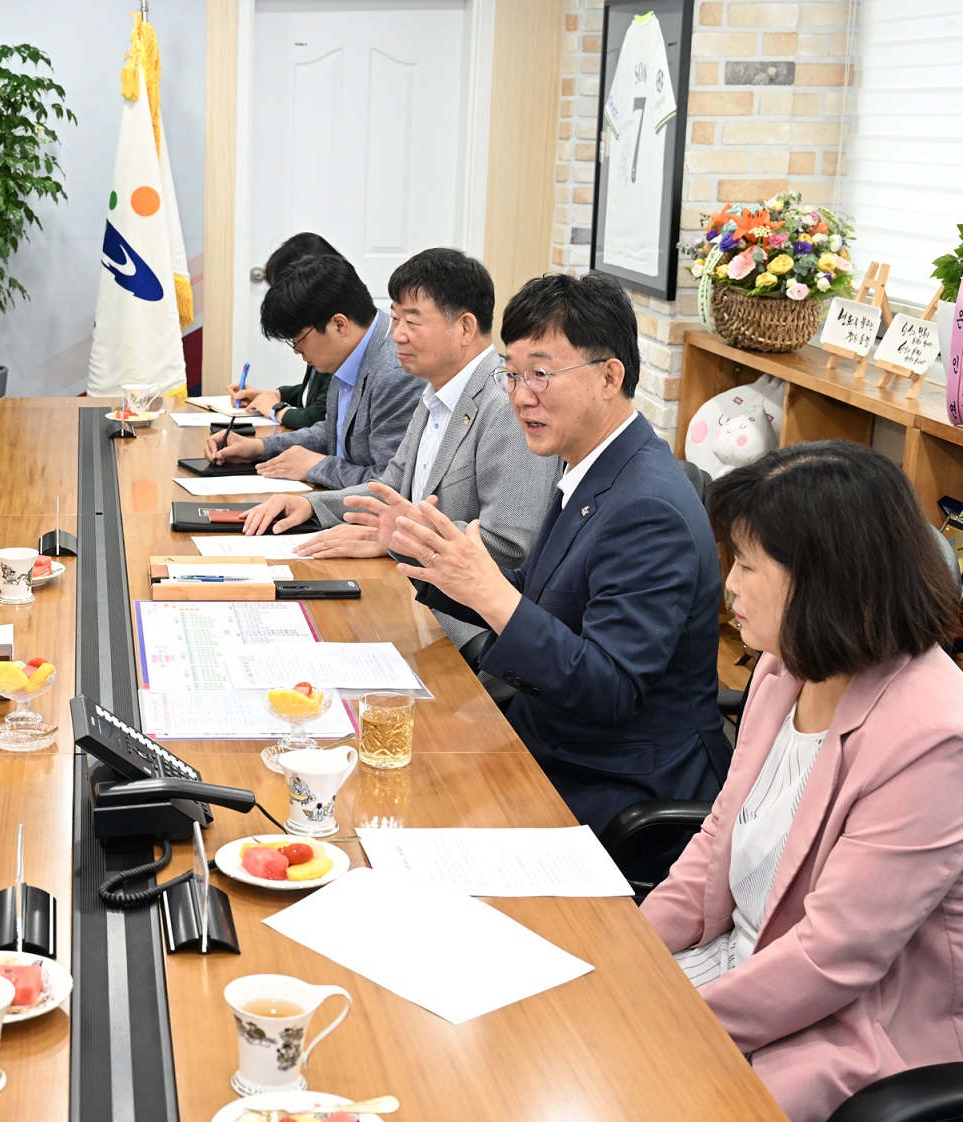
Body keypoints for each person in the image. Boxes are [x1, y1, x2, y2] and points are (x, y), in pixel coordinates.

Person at [644, 441, 963, 1122]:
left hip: (845, 1029)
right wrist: (631, 955)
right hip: (733, 967)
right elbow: (716, 838)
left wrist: (669, 1018)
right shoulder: (784, 665)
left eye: (750, 565)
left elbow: (833, 958)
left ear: (824, 583)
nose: (728, 583)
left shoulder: (934, 733)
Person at [391, 271, 729, 833]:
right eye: (513, 375)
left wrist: (489, 589)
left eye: (541, 375)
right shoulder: (592, 463)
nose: (521, 397)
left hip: (615, 779)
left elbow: (610, 686)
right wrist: (440, 565)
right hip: (553, 738)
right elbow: (545, 597)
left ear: (608, 376)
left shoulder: (649, 507)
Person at [239, 249, 559, 648]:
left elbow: (509, 547)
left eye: (412, 320)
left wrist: (400, 537)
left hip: (467, 631)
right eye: (394, 319)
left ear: (464, 327)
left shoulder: (506, 404)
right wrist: (314, 506)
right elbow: (388, 488)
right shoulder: (435, 392)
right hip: (415, 595)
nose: (398, 335)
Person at [202, 254, 422, 487]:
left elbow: (391, 485)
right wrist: (259, 448)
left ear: (339, 325)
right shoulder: (351, 350)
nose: (297, 352)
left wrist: (317, 467)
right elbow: (334, 431)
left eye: (298, 340)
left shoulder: (396, 371)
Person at [224, 232, 339, 429]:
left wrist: (274, 408)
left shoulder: (330, 334)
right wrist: (273, 396)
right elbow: (312, 393)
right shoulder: (314, 329)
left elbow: (319, 415)